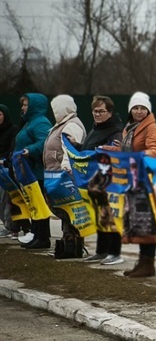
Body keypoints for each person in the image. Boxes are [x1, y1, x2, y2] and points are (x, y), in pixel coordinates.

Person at [115, 92, 156, 278]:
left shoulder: (152, 128)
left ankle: (148, 263)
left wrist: (141, 156)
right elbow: (126, 150)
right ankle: (142, 261)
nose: (139, 111)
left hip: (146, 182)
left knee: (147, 223)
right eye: (135, 108)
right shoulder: (129, 128)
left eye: (142, 108)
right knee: (138, 223)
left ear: (148, 110)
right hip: (132, 182)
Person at [79, 96, 126, 264]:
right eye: (95, 111)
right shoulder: (95, 128)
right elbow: (88, 149)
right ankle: (101, 250)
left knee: (111, 215)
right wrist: (76, 146)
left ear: (110, 113)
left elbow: (116, 151)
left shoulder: (115, 131)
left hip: (110, 180)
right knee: (100, 215)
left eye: (101, 111)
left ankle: (115, 253)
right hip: (95, 181)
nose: (97, 114)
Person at [43, 94, 87, 259]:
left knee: (70, 210)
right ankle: (67, 242)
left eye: (57, 109)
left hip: (65, 175)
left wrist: (66, 167)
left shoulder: (72, 126)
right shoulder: (59, 125)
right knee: (64, 210)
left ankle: (73, 245)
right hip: (56, 174)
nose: (55, 112)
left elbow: (70, 149)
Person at [12, 92, 53, 249]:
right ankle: (37, 234)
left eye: (25, 105)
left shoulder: (41, 122)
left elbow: (44, 142)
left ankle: (43, 238)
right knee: (34, 204)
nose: (22, 108)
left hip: (37, 171)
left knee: (39, 203)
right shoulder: (30, 122)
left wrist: (29, 150)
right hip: (28, 171)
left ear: (35, 106)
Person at [0, 103, 17, 237]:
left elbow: (11, 149)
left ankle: (9, 224)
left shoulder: (12, 130)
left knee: (5, 198)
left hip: (5, 168)